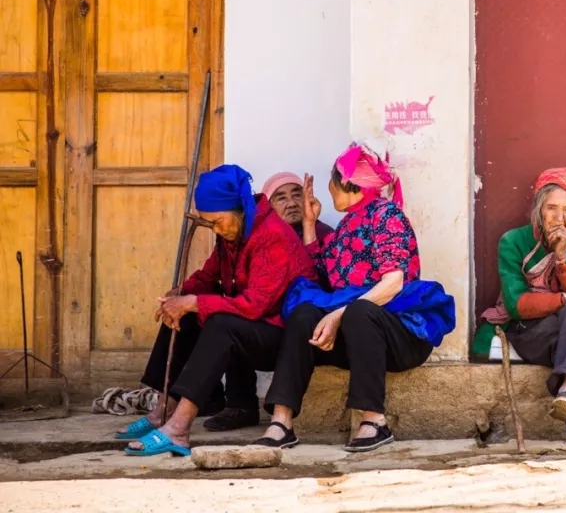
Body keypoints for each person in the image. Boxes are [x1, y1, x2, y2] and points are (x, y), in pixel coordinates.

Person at [256, 142, 454, 453]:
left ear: (348, 184)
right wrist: (309, 224)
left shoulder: (386, 215)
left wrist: (339, 314)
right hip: (358, 338)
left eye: (332, 181)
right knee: (305, 312)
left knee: (359, 311)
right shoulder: (347, 225)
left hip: (402, 335)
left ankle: (375, 421)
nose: (329, 188)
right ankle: (282, 422)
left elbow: (393, 283)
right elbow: (318, 277)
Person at [117, 164, 317, 456]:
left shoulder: (271, 235)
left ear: (239, 209)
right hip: (257, 327)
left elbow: (255, 304)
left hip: (285, 335)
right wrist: (180, 294)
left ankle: (178, 429)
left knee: (219, 323)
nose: (216, 229)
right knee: (183, 316)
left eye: (218, 222)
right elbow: (209, 276)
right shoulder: (232, 233)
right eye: (210, 224)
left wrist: (194, 302)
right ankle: (163, 409)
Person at [202, 171, 339, 433]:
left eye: (297, 195)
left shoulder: (325, 234)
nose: (291, 203)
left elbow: (323, 284)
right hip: (265, 316)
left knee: (237, 318)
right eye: (281, 197)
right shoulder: (252, 236)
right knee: (231, 312)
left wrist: (309, 228)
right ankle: (235, 405)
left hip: (303, 326)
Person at [477, 168, 566, 446]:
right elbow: (516, 305)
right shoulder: (513, 241)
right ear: (539, 211)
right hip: (530, 331)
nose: (560, 218)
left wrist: (562, 256)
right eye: (551, 208)